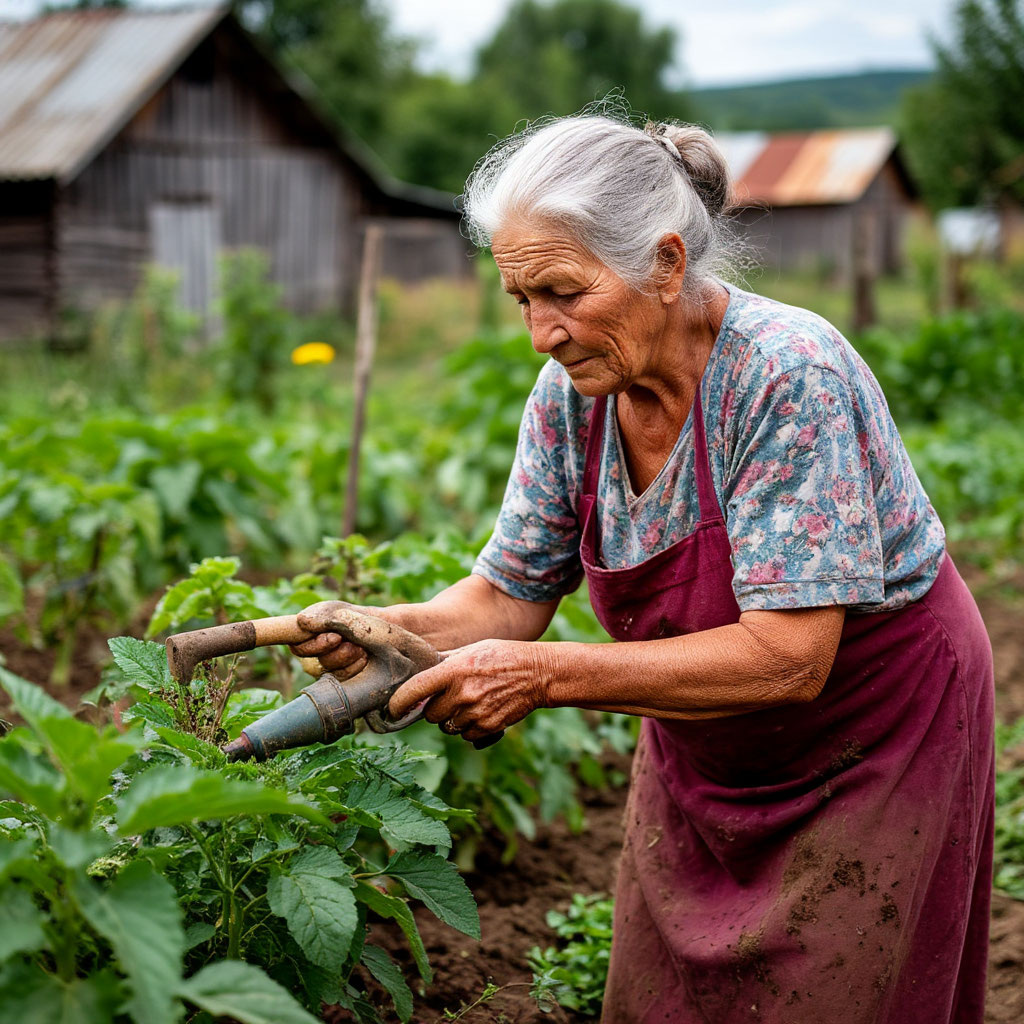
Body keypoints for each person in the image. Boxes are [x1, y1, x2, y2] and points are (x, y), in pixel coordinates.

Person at [293, 114, 995, 1023]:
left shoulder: (787, 373)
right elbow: (508, 596)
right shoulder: (572, 399)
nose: (541, 333)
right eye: (521, 299)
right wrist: (393, 629)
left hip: (872, 728)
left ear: (665, 265)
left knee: (838, 991)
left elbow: (792, 658)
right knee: (666, 997)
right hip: (707, 732)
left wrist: (543, 677)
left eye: (563, 292)